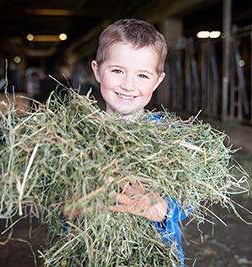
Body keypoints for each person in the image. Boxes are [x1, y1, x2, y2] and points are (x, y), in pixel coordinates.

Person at [66, 18, 190, 266]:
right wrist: (70, 208)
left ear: (157, 80)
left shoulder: (171, 136)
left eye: (142, 75)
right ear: (97, 71)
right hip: (89, 255)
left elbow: (192, 194)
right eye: (117, 71)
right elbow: (52, 197)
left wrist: (162, 209)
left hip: (156, 256)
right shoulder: (73, 137)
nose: (128, 85)